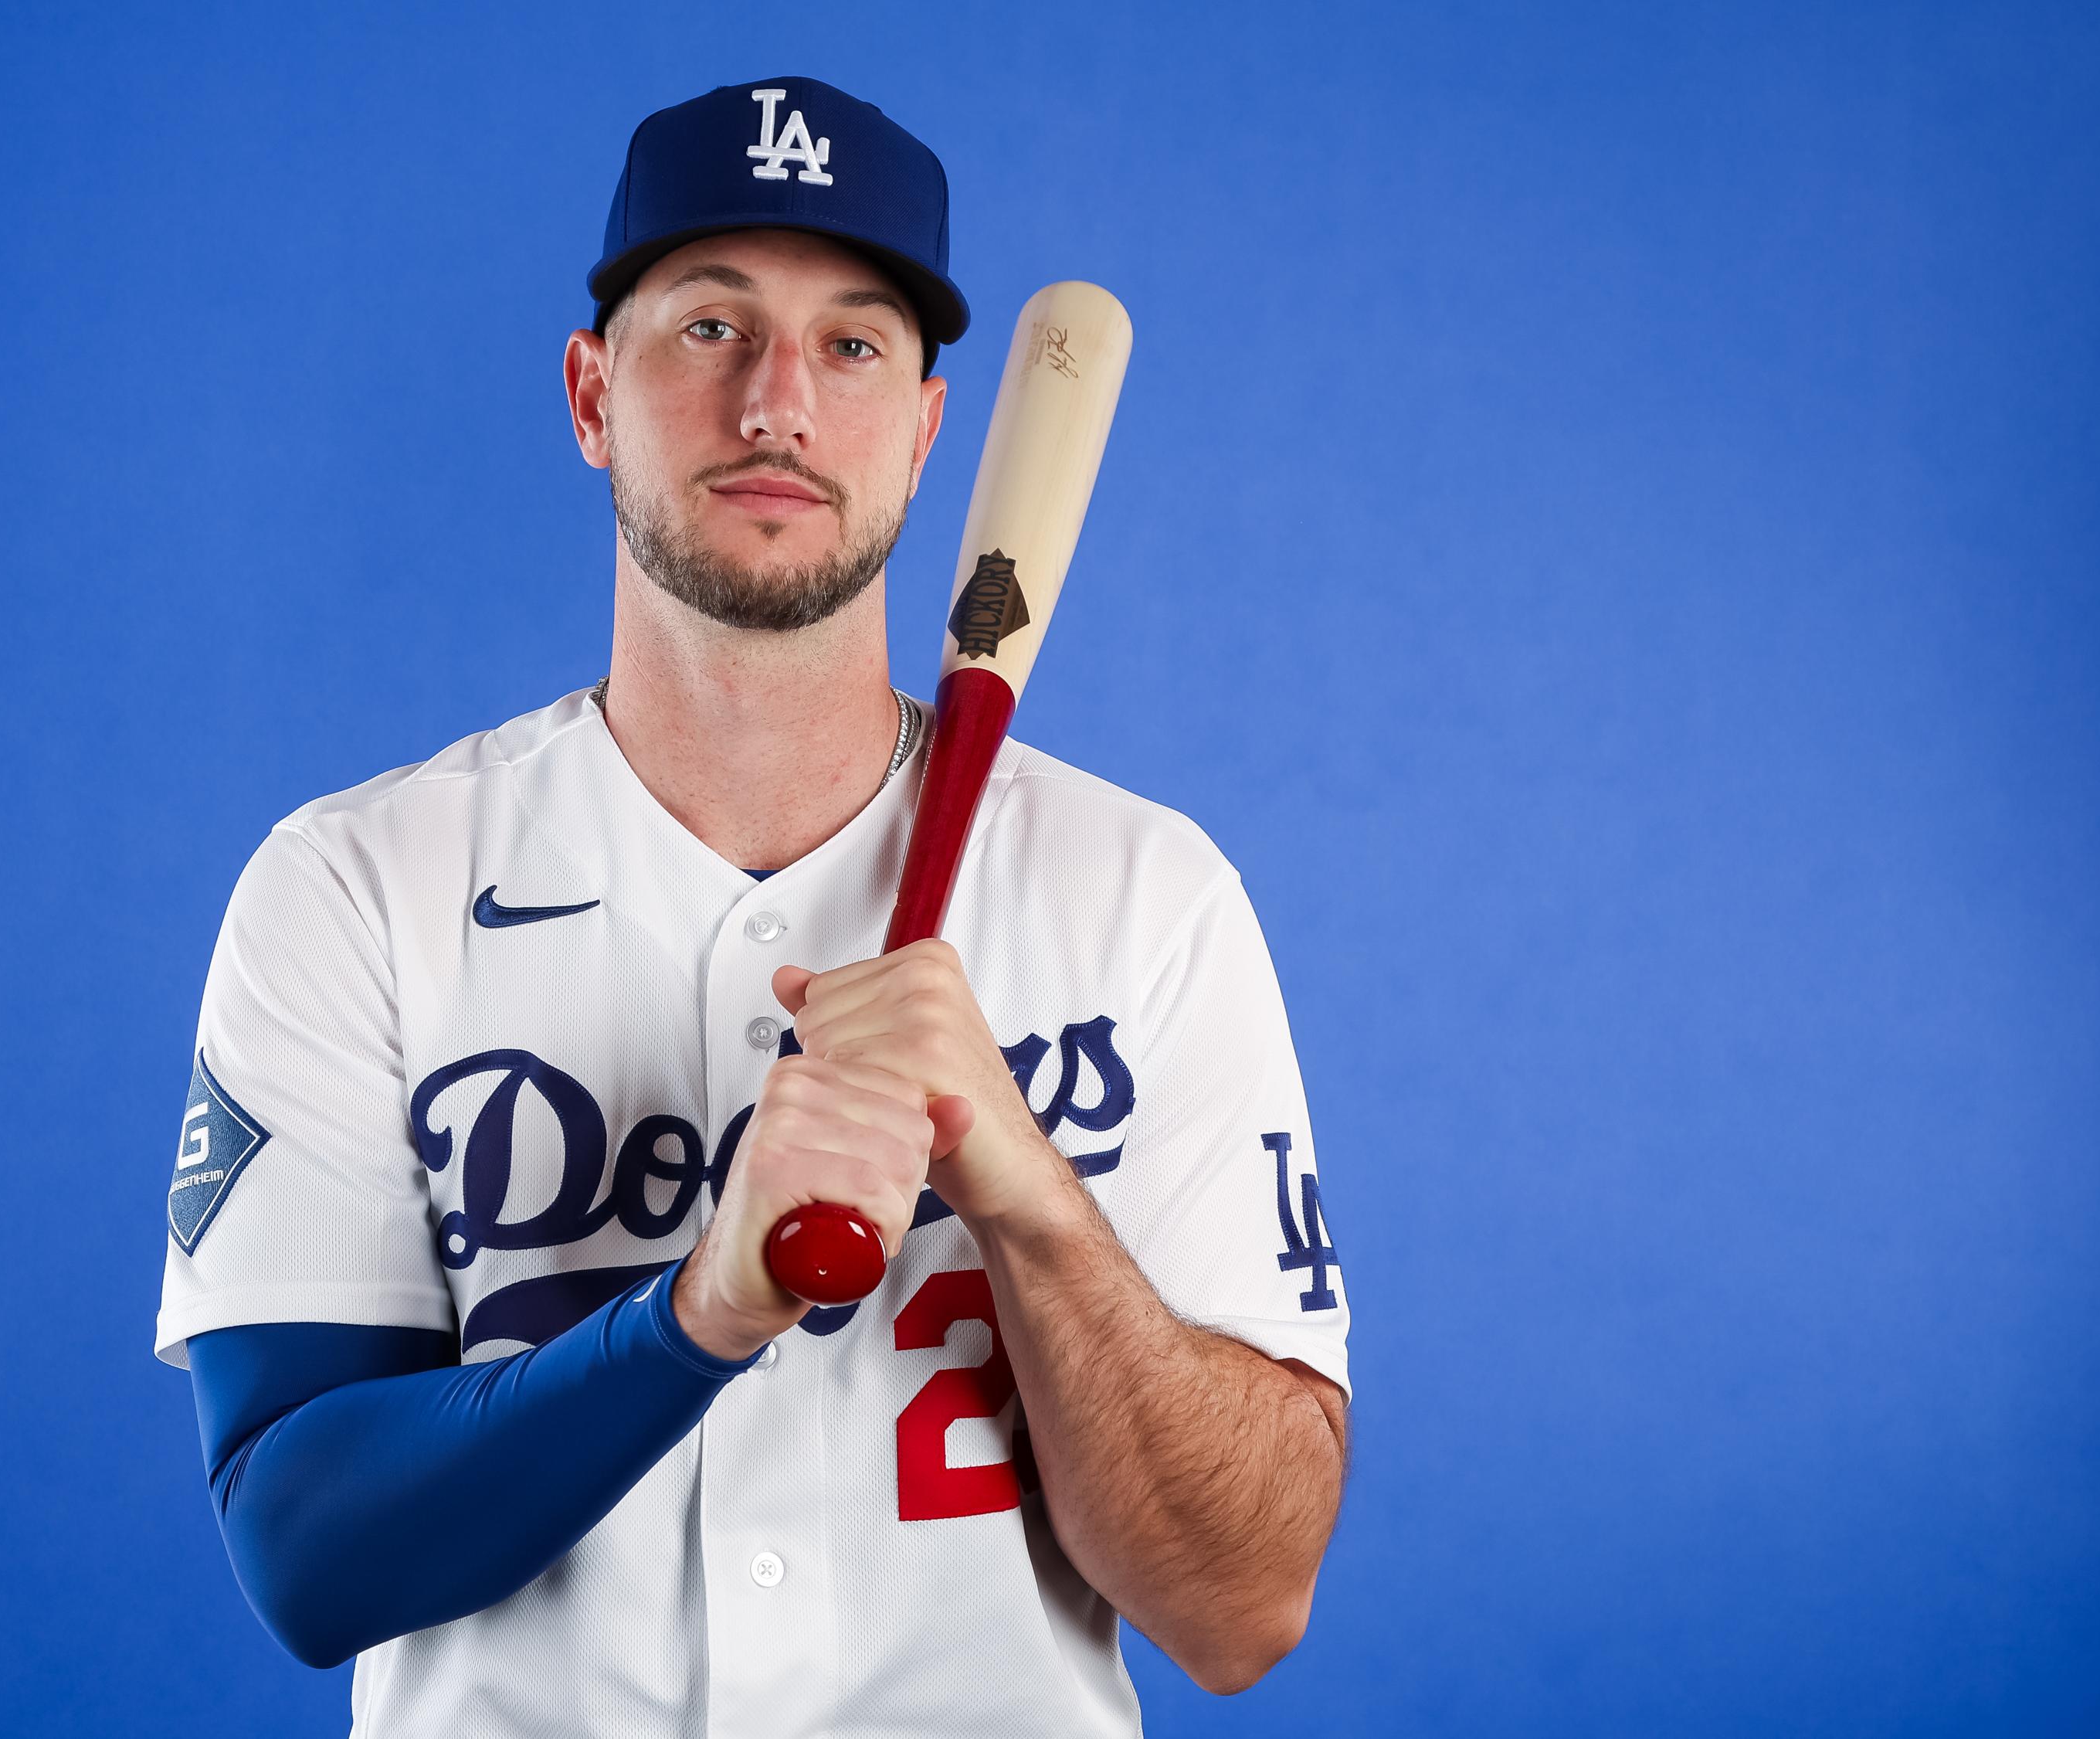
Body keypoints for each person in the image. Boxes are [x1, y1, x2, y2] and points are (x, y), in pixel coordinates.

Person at [154, 76, 1350, 1737]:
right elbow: (307, 1552)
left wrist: (1026, 1199)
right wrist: (696, 1314)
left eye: (851, 345)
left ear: (926, 431)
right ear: (593, 394)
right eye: (710, 326)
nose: (776, 403)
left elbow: (1241, 1607)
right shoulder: (355, 886)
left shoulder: (1142, 895)